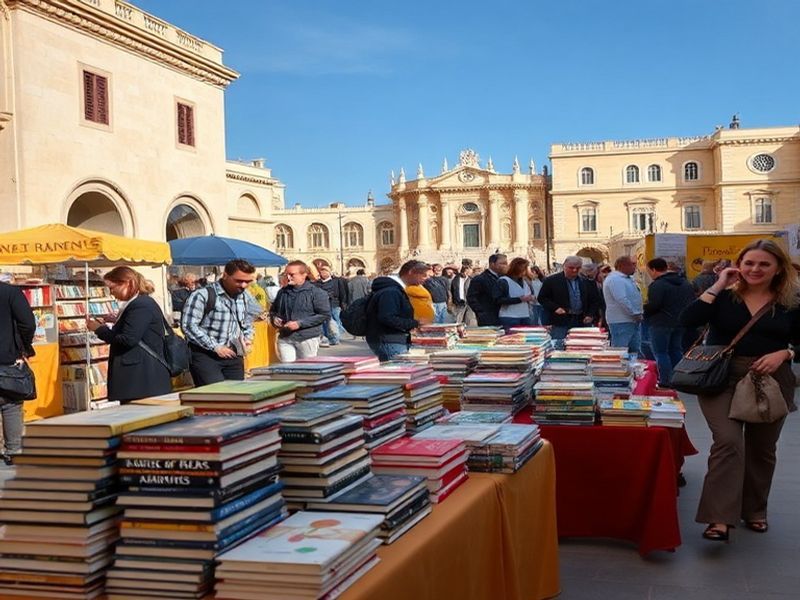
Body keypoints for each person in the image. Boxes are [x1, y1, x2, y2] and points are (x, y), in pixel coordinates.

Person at [679, 239, 800, 542]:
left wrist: (785, 354)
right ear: (739, 265)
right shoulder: (724, 298)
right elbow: (687, 320)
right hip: (722, 377)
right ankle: (719, 518)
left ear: (778, 269)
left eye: (763, 264)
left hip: (771, 378)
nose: (755, 269)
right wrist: (719, 283)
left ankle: (755, 510)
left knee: (762, 448)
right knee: (729, 442)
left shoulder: (791, 303)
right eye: (749, 263)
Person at [86, 266, 172, 404]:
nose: (111, 293)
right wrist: (117, 320)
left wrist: (99, 329)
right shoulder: (138, 303)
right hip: (141, 379)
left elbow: (128, 339)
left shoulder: (141, 305)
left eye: (112, 288)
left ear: (127, 283)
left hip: (142, 379)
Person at [181, 259, 256, 386]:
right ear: (225, 275)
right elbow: (188, 326)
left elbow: (248, 321)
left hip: (234, 355)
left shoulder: (245, 296)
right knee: (215, 397)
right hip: (206, 356)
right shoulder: (202, 295)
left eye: (247, 282)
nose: (243, 285)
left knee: (236, 397)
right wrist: (215, 347)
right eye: (238, 281)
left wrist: (248, 338)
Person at [644, 257, 696, 387]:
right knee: (676, 350)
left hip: (660, 322)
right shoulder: (685, 283)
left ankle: (665, 380)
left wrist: (644, 309)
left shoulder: (657, 285)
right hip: (680, 322)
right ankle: (679, 378)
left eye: (649, 271)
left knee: (661, 352)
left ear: (654, 269)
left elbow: (654, 305)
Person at [0, 278, 35, 466]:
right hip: (7, 357)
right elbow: (28, 322)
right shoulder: (10, 292)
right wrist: (24, 345)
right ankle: (13, 450)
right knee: (10, 403)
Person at [365, 260, 428, 361]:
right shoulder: (391, 291)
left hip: (392, 339)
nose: (426, 279)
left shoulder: (395, 289)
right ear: (411, 272)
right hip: (390, 340)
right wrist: (415, 323)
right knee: (398, 371)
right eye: (424, 275)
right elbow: (387, 317)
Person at [269, 261, 331, 362]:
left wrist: (300, 324)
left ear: (304, 275)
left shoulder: (316, 292)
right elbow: (273, 310)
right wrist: (274, 318)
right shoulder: (283, 292)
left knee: (306, 370)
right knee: (287, 370)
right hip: (285, 337)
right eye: (286, 274)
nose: (288, 277)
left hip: (307, 338)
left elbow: (324, 315)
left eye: (292, 274)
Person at [537, 256, 600, 340]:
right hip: (561, 320)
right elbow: (542, 298)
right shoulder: (552, 280)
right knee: (559, 344)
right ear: (564, 266)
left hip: (582, 319)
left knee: (581, 345)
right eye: (571, 268)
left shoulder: (587, 281)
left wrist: (590, 314)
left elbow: (595, 300)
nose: (574, 270)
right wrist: (555, 308)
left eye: (577, 268)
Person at [602, 256, 644, 354]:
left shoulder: (628, 279)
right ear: (622, 266)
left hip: (631, 320)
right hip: (621, 320)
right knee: (620, 351)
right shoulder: (615, 279)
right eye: (632, 264)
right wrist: (634, 313)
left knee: (634, 350)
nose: (635, 267)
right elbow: (622, 299)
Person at [467, 253, 508, 326]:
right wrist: (481, 312)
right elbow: (471, 298)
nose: (505, 266)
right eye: (502, 263)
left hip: (505, 316)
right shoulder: (480, 279)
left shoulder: (505, 278)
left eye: (506, 263)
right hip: (489, 318)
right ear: (492, 264)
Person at [495, 257, 534, 331]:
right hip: (509, 317)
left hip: (525, 316)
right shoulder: (503, 281)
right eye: (523, 270)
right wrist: (519, 299)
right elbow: (498, 300)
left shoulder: (524, 281)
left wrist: (531, 298)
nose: (525, 272)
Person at [314, 265, 348, 347]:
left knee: (335, 322)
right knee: (325, 323)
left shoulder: (336, 281)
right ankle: (330, 338)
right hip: (322, 306)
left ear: (329, 273)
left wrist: (343, 303)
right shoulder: (317, 283)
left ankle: (335, 337)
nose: (324, 273)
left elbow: (342, 293)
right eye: (322, 272)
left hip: (334, 304)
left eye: (326, 271)